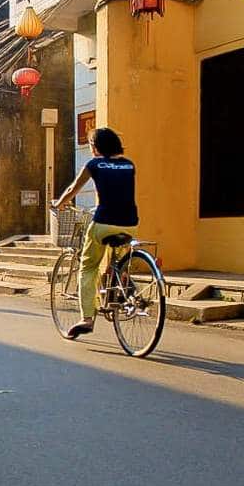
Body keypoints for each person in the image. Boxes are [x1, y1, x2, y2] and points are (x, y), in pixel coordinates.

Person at [52, 127, 138, 339]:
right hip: (130, 224)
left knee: (87, 267)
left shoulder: (94, 164)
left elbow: (73, 189)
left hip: (103, 223)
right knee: (115, 261)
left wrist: (60, 204)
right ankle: (122, 281)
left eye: (91, 145)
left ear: (96, 147)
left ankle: (87, 318)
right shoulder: (129, 165)